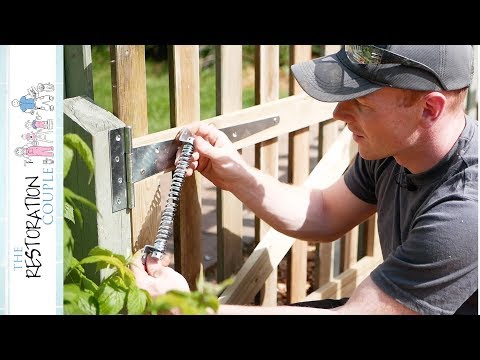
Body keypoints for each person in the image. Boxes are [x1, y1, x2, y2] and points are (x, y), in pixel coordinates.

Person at [132, 45, 478, 315]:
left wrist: (183, 307)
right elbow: (324, 212)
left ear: (429, 109)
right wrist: (235, 175)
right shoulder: (393, 154)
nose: (339, 113)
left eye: (361, 103)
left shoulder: (464, 210)